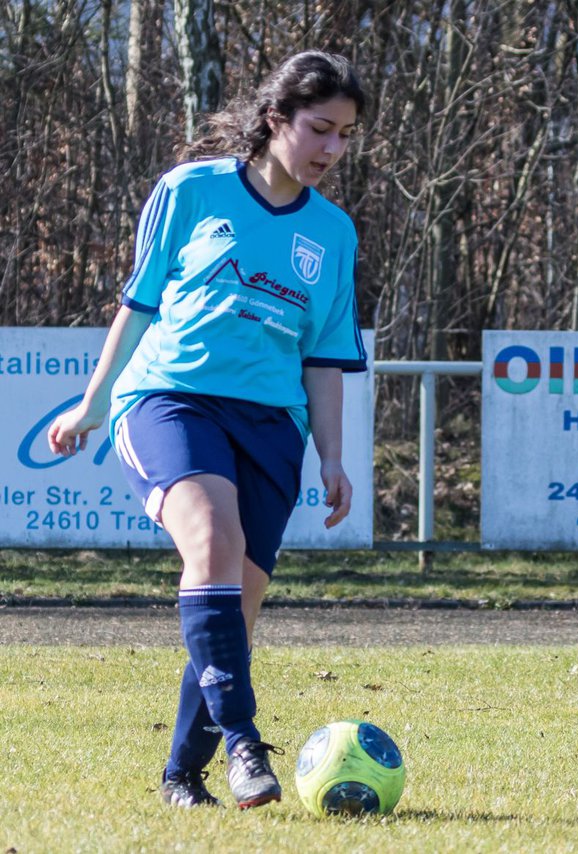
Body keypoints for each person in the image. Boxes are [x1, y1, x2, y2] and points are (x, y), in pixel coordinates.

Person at [47, 51, 368, 809]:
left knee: (236, 600)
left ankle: (180, 774)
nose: (332, 149)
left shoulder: (333, 234)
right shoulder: (190, 191)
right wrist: (93, 405)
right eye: (320, 128)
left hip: (270, 426)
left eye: (347, 136)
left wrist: (333, 457)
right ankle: (247, 742)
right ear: (275, 120)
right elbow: (139, 303)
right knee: (213, 544)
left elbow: (323, 358)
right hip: (170, 400)